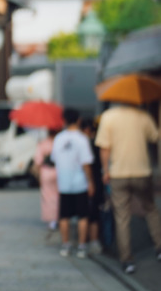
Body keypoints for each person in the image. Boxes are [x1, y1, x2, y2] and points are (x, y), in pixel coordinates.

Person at [95, 101, 161, 274]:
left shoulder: (108, 117)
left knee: (122, 216)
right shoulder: (143, 116)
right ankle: (159, 247)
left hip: (118, 173)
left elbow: (104, 148)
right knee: (151, 209)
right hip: (142, 171)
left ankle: (127, 260)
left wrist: (105, 170)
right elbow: (155, 137)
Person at [51, 108, 94, 259]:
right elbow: (86, 163)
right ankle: (82, 246)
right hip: (80, 182)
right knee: (83, 215)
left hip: (64, 182)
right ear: (78, 120)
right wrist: (90, 182)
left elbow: (55, 159)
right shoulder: (82, 139)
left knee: (64, 216)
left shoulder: (58, 139)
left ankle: (65, 245)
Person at [79, 117, 104, 255]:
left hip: (86, 183)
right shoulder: (97, 144)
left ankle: (85, 241)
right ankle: (94, 241)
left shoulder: (84, 144)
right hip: (96, 182)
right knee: (94, 213)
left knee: (86, 213)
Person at [33, 129, 59, 232]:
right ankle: (60, 217)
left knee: (48, 197)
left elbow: (38, 161)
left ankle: (52, 220)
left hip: (46, 172)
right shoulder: (60, 142)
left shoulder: (42, 143)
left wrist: (39, 176)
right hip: (59, 171)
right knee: (59, 196)